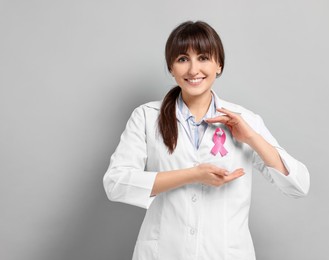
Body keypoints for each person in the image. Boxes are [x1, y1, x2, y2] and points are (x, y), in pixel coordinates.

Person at [103, 20, 310, 260]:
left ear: (219, 65)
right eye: (182, 59)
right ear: (171, 67)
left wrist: (252, 138)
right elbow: (116, 183)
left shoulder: (245, 120)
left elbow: (298, 185)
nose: (193, 70)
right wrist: (194, 174)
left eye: (203, 58)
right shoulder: (147, 117)